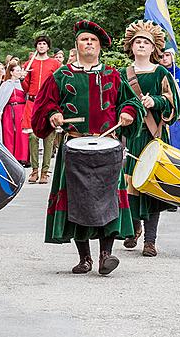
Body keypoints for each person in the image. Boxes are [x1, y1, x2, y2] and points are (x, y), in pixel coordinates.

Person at [32, 20, 144, 275]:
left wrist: (127, 113)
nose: (89, 43)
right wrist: (53, 115)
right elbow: (44, 106)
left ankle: (106, 256)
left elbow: (131, 103)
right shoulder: (61, 76)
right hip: (74, 146)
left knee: (108, 202)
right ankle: (85, 258)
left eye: (93, 40)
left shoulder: (112, 75)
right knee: (77, 202)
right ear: (77, 45)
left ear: (100, 47)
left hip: (108, 149)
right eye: (85, 40)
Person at [119, 20, 180, 258]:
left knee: (153, 188)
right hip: (133, 137)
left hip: (155, 137)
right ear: (131, 46)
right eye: (138, 42)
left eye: (146, 42)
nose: (142, 45)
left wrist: (156, 101)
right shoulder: (124, 74)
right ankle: (134, 228)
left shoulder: (161, 73)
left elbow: (173, 103)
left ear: (154, 47)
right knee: (132, 186)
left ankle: (150, 240)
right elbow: (118, 104)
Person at [22, 36, 62, 184]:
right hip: (32, 102)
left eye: (44, 44)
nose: (41, 46)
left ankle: (45, 172)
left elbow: (59, 84)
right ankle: (34, 170)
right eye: (39, 44)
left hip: (48, 103)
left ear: (48, 47)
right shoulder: (29, 64)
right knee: (32, 137)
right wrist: (22, 78)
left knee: (49, 137)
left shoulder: (55, 64)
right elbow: (25, 87)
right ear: (36, 46)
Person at [159, 40, 180, 154]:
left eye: (167, 55)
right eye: (162, 56)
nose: (164, 58)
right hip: (160, 123)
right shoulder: (156, 74)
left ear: (172, 56)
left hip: (177, 123)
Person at [0, 59, 29, 163]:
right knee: (8, 133)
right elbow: (1, 100)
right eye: (17, 71)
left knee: (21, 133)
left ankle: (22, 157)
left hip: (21, 110)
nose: (19, 72)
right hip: (8, 111)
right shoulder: (5, 84)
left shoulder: (23, 84)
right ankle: (10, 156)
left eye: (19, 70)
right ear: (12, 72)